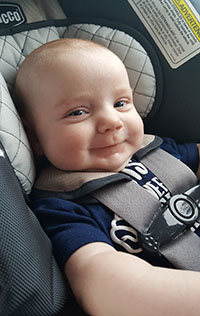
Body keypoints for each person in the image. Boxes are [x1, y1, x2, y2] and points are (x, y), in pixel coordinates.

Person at [15, 38, 200, 316]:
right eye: (78, 112)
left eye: (121, 103)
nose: (112, 121)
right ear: (33, 138)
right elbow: (100, 280)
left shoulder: (158, 151)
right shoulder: (62, 206)